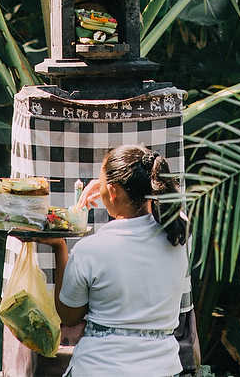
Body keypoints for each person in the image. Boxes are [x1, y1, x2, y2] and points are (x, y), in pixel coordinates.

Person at [38, 144, 193, 377]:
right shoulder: (179, 233)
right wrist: (108, 185)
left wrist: (60, 248)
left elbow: (69, 317)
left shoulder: (90, 250)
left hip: (98, 369)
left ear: (112, 192)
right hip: (162, 370)